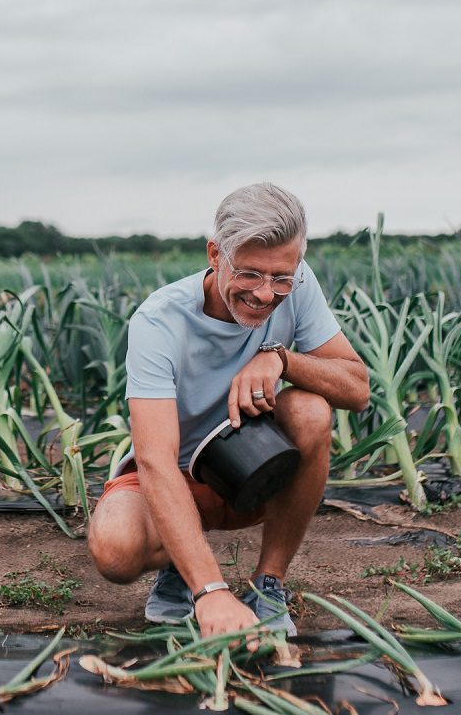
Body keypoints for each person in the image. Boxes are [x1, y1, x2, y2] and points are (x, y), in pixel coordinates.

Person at [88, 182, 369, 638]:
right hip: (176, 478)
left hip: (253, 466)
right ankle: (185, 569)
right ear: (216, 254)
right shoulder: (160, 322)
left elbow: (357, 388)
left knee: (311, 411)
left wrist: (281, 357)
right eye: (251, 274)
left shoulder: (296, 283)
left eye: (282, 277)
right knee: (116, 550)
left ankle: (267, 583)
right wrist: (211, 591)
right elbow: (157, 461)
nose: (266, 294)